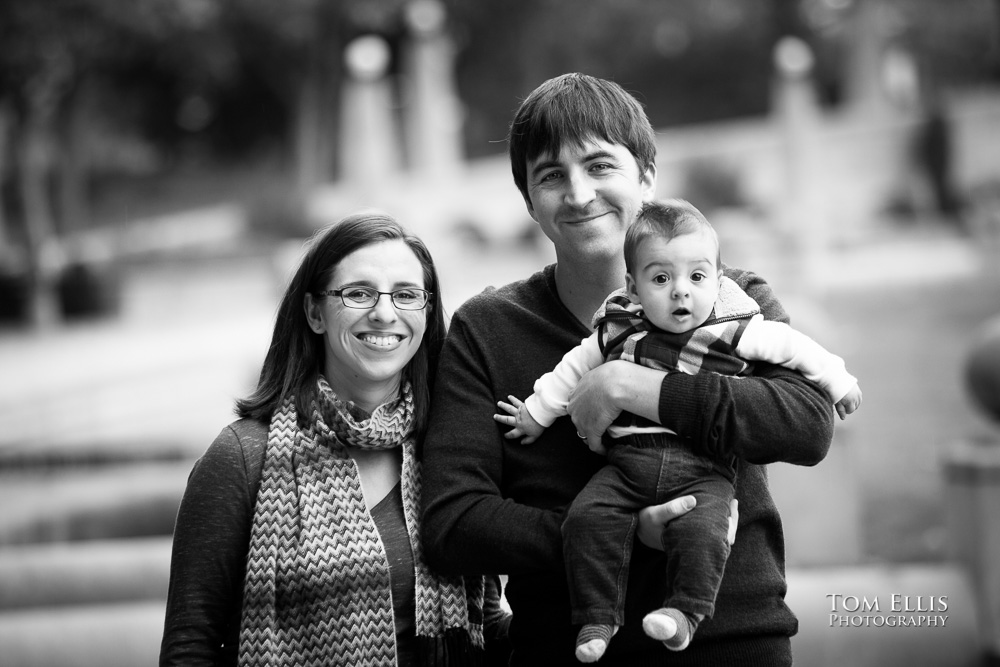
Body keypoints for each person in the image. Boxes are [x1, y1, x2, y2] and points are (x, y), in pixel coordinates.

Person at [420, 72, 836, 666]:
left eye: (600, 166)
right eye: (551, 176)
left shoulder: (733, 299)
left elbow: (808, 426)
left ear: (647, 177)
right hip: (565, 651)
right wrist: (619, 531)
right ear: (528, 201)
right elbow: (453, 523)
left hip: (733, 641)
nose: (580, 193)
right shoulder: (488, 330)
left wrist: (637, 387)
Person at [493, 198, 862, 662]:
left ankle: (685, 612)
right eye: (661, 279)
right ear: (633, 285)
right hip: (627, 469)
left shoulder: (734, 329)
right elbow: (571, 370)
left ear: (719, 280)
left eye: (697, 277)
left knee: (707, 530)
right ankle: (596, 619)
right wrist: (537, 412)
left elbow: (794, 349)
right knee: (587, 519)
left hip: (702, 471)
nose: (680, 292)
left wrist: (839, 381)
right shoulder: (618, 329)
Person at [160, 212, 508, 667]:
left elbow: (486, 621)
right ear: (314, 312)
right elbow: (190, 648)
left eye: (406, 295)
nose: (385, 313)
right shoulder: (242, 459)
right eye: (358, 293)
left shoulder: (450, 448)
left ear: (424, 314)